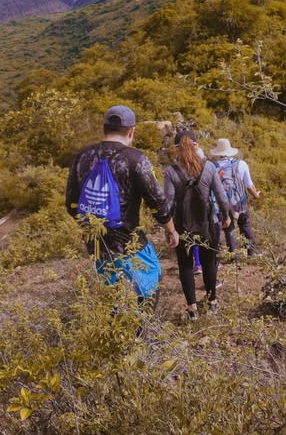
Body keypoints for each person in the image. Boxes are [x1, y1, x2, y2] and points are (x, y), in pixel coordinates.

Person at [65, 105, 178, 305]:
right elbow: (157, 200)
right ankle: (141, 333)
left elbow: (71, 203)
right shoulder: (135, 158)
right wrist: (170, 229)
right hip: (130, 241)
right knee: (150, 282)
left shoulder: (82, 156)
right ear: (131, 130)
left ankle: (116, 332)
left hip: (97, 243)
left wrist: (92, 228)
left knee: (112, 295)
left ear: (104, 128)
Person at [163, 131, 232, 321]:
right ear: (196, 145)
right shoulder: (208, 167)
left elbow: (168, 203)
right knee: (209, 263)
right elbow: (221, 197)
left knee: (185, 266)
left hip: (181, 225)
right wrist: (226, 217)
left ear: (176, 148)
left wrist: (168, 229)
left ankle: (192, 308)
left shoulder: (170, 172)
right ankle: (212, 303)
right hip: (207, 224)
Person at [210, 138, 262, 257]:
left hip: (224, 204)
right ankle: (251, 252)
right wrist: (256, 195)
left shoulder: (213, 167)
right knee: (245, 225)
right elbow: (249, 185)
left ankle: (234, 257)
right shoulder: (241, 164)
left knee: (229, 229)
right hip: (240, 201)